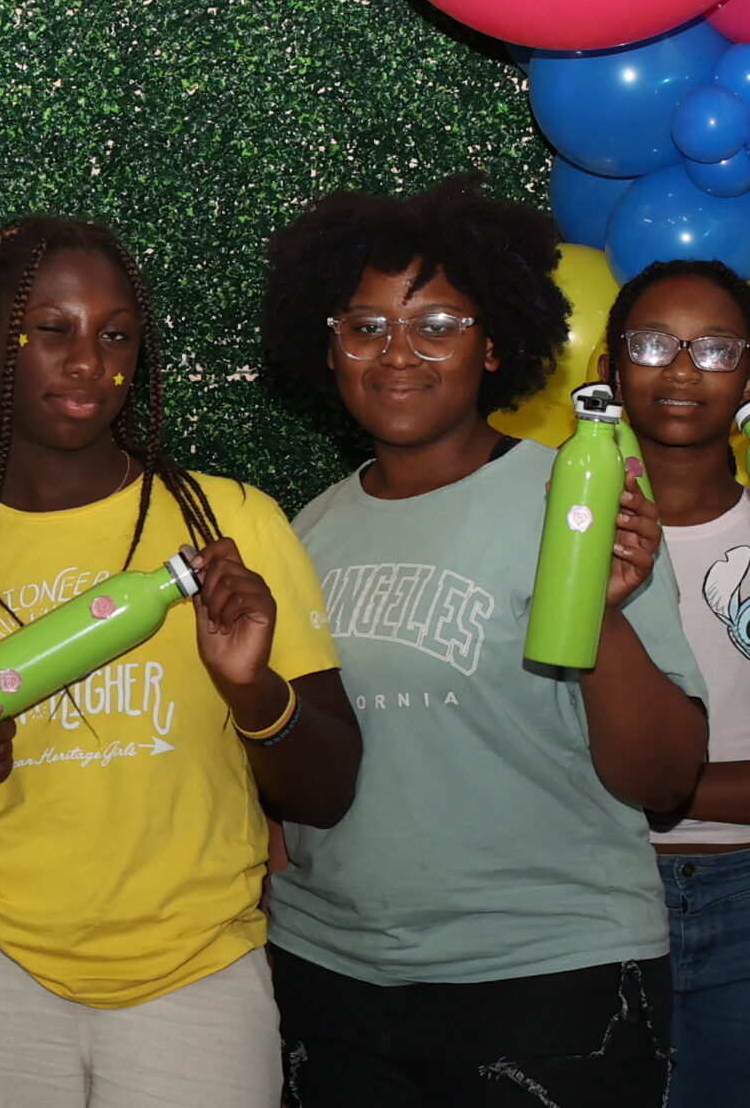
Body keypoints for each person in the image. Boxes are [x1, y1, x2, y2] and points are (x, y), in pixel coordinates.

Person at [0, 214, 359, 1108]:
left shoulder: (232, 527)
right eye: (53, 329)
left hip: (198, 972)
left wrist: (252, 689)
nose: (89, 361)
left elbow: (328, 793)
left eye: (115, 335)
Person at [256, 175, 705, 1107]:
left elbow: (665, 781)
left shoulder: (577, 498)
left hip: (549, 980)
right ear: (330, 346)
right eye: (366, 325)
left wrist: (600, 612)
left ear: (494, 343)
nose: (398, 353)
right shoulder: (307, 532)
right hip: (329, 978)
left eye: (438, 324)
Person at [599, 258, 750, 1108]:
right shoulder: (548, 534)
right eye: (654, 343)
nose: (684, 369)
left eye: (716, 347)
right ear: (611, 369)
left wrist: (662, 787)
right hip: (589, 891)